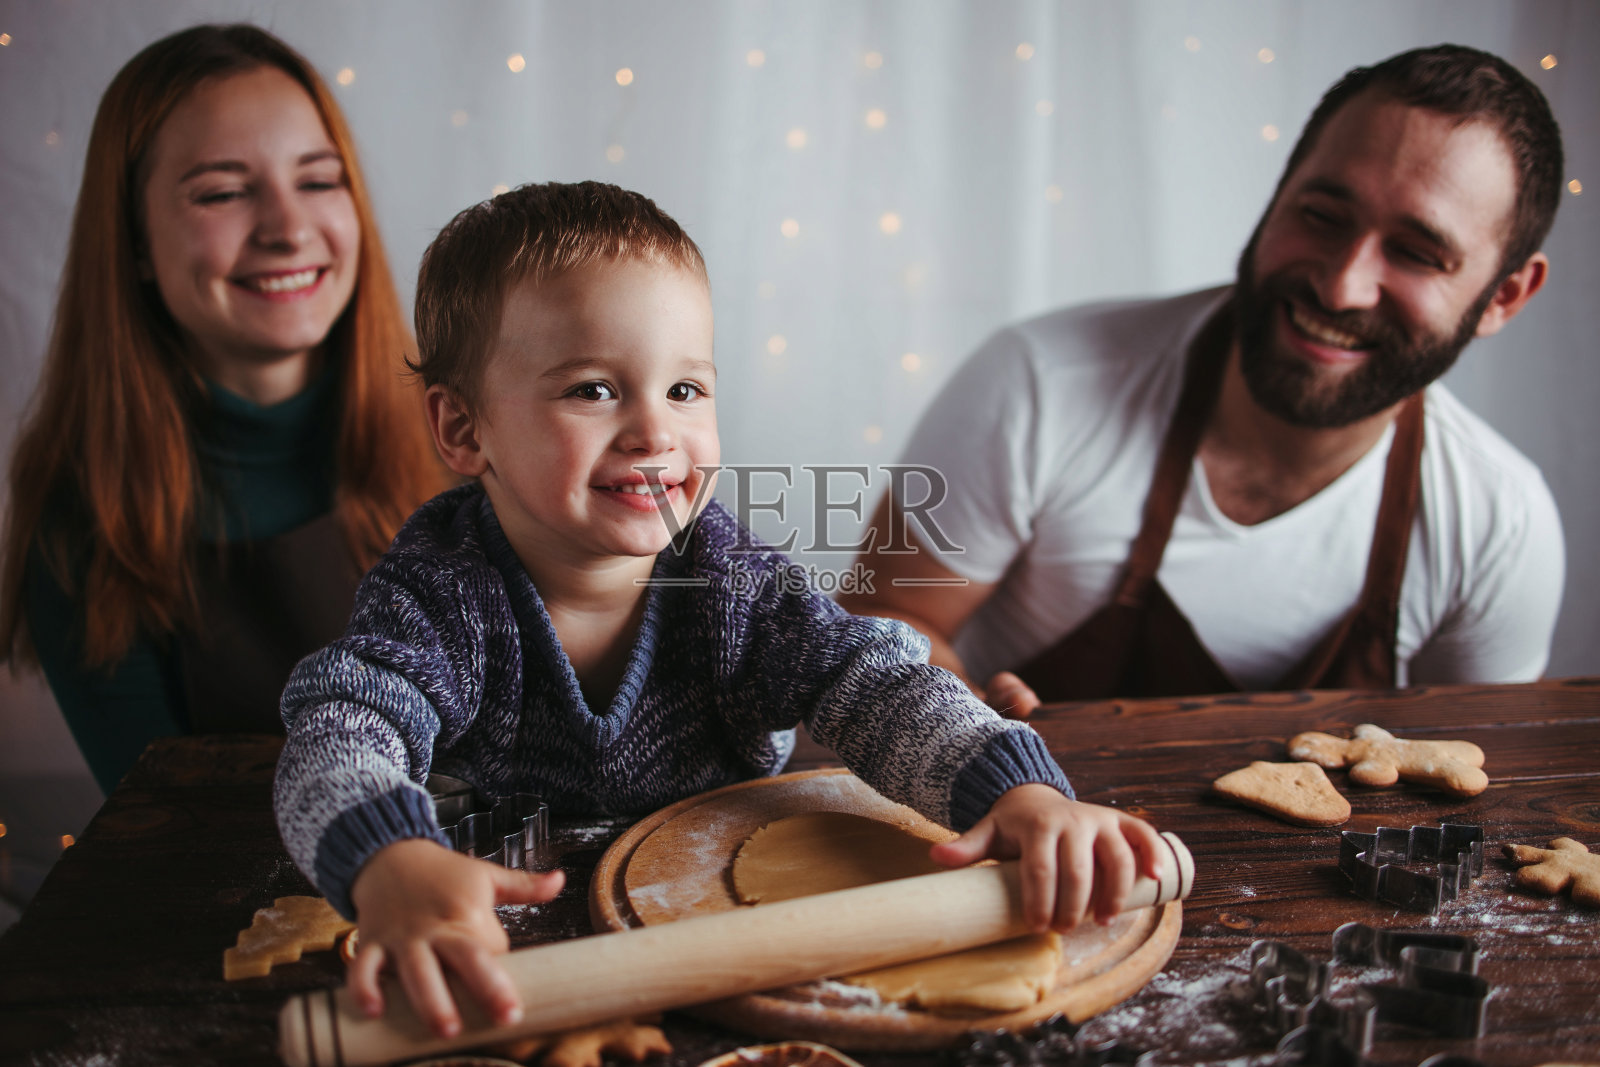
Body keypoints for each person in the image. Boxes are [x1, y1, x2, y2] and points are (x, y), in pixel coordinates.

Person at [273, 181, 1166, 1039]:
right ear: (464, 430)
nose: (655, 433)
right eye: (592, 388)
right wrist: (390, 860)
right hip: (520, 951)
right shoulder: (440, 588)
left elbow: (878, 684)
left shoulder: (729, 581)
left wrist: (1017, 789)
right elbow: (340, 730)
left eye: (685, 389)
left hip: (732, 932)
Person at [842, 44, 1566, 716]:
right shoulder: (1039, 384)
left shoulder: (1500, 524)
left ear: (1504, 295)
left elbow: (1473, 766)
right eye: (1321, 214)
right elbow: (882, 622)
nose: (1343, 286)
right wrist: (972, 737)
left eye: (1415, 252)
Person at [0, 25, 446, 792]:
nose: (288, 228)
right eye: (224, 192)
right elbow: (169, 839)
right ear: (134, 242)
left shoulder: (466, 435)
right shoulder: (85, 525)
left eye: (316, 180)